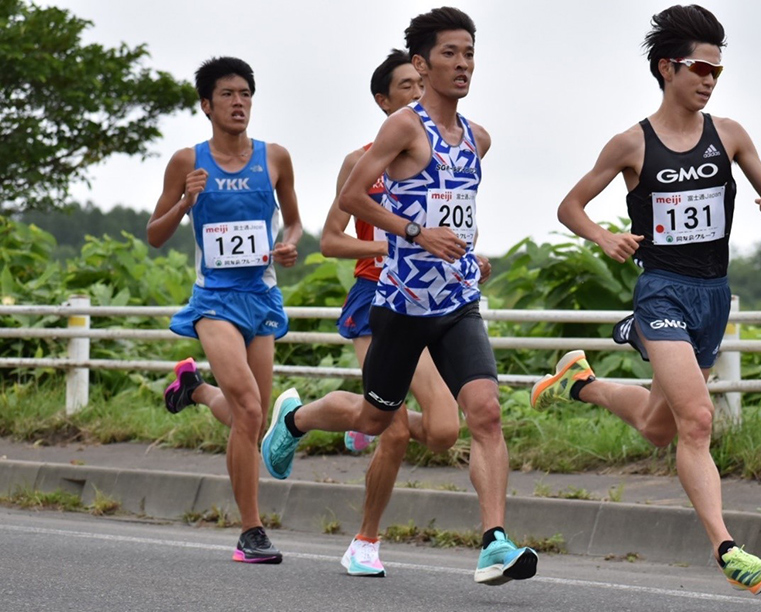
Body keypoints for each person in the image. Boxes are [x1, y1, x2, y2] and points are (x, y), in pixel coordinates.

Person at [262, 7, 538, 586]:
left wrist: (465, 249)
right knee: (374, 415)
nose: (462, 64)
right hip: (401, 306)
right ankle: (296, 419)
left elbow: (455, 209)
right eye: (449, 54)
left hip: (457, 301)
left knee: (484, 413)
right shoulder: (403, 128)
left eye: (469, 54)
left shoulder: (478, 138)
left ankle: (494, 544)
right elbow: (356, 198)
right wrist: (414, 234)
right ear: (421, 61)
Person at [531, 4, 761, 596]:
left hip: (712, 296)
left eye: (717, 72)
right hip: (662, 291)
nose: (709, 80)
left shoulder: (730, 134)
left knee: (657, 427)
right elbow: (569, 206)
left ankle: (578, 381)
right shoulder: (632, 144)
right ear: (666, 68)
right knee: (697, 421)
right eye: (700, 68)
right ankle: (728, 551)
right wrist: (604, 236)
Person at [147, 56, 302, 564]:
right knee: (253, 408)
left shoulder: (274, 157)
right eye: (229, 95)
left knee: (248, 419)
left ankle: (195, 390)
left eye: (246, 94)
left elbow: (295, 224)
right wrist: (184, 203)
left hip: (260, 297)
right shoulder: (186, 162)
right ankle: (251, 532)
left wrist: (288, 246)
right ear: (206, 105)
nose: (239, 103)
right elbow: (155, 234)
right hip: (213, 300)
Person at [320, 49, 466, 577]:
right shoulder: (361, 161)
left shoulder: (448, 155)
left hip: (430, 298)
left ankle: (323, 417)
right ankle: (365, 541)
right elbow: (331, 241)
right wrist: (400, 247)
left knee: (447, 431)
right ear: (383, 101)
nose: (415, 92)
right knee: (398, 431)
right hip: (374, 295)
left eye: (418, 82)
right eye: (405, 86)